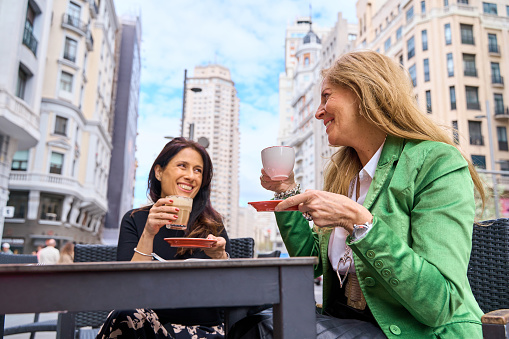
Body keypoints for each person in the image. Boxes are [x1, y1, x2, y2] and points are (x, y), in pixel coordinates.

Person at [259, 50, 484, 338]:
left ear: (364, 92)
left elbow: (438, 303)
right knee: (256, 320)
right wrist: (285, 191)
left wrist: (359, 224)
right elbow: (310, 257)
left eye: (326, 97)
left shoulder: (437, 162)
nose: (318, 112)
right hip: (346, 323)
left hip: (415, 332)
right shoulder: (345, 174)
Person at [97, 137, 231, 339]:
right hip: (146, 328)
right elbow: (127, 292)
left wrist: (221, 258)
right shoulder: (136, 219)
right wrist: (149, 233)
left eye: (198, 170)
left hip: (203, 331)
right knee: (126, 313)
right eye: (182, 166)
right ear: (159, 172)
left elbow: (233, 294)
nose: (190, 176)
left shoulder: (213, 224)